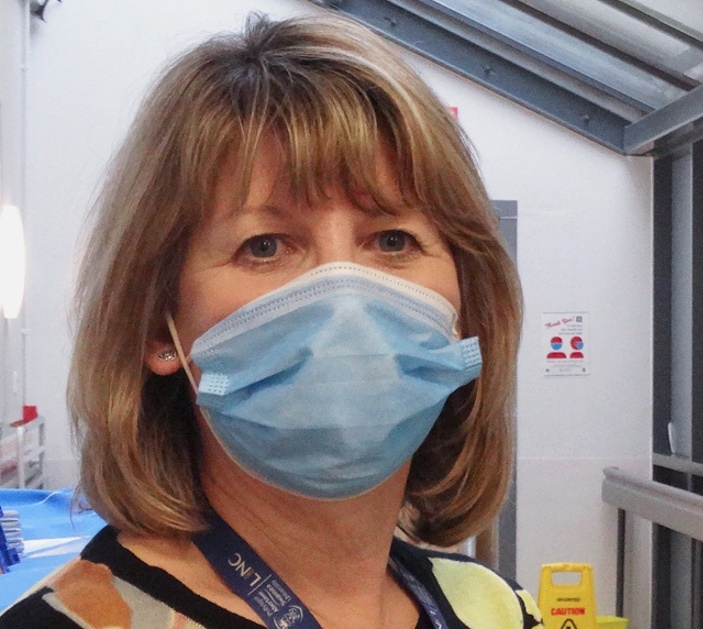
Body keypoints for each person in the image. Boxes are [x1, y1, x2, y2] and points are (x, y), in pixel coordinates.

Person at [0, 13, 541, 628]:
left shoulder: (500, 610)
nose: (344, 295)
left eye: (393, 239)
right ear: (158, 325)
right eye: (265, 246)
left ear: (467, 302)